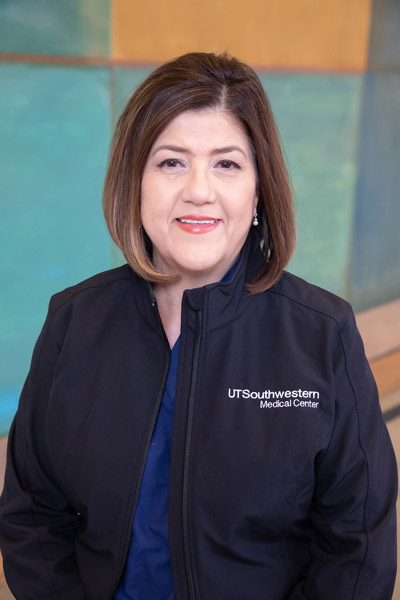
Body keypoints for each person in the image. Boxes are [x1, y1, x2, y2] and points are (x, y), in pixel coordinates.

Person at [0, 52, 397, 600]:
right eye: (171, 162)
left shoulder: (322, 334)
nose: (199, 191)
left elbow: (357, 550)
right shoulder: (73, 321)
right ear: (135, 182)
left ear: (258, 190)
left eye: (227, 164)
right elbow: (32, 517)